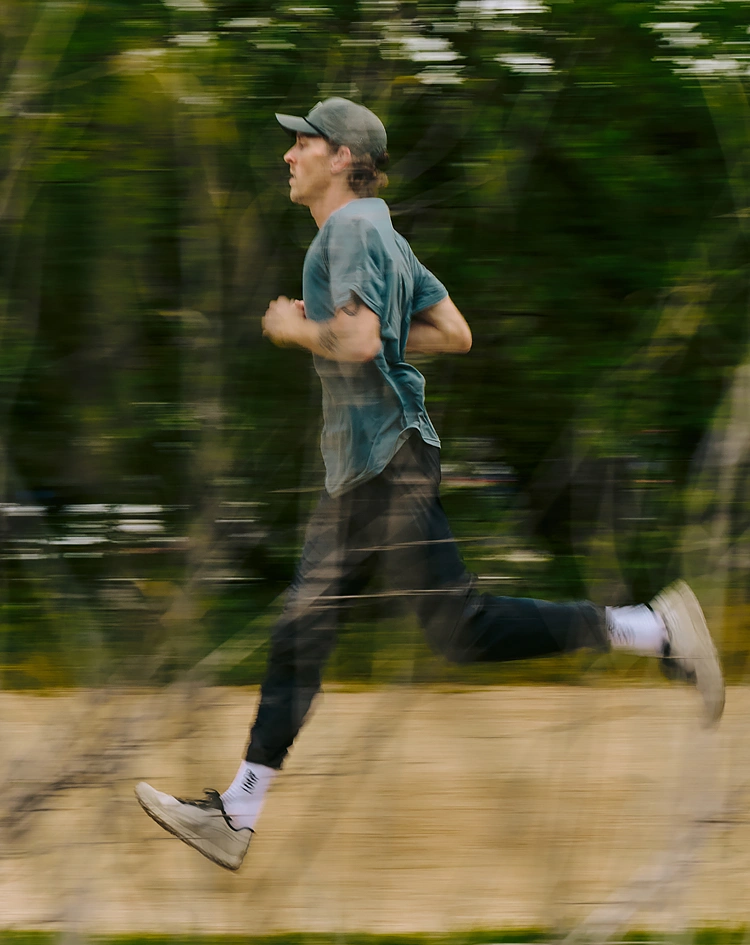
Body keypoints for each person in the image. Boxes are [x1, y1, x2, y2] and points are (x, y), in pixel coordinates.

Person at [135, 98, 725, 872]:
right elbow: (454, 332)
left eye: (303, 142)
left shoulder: (350, 231)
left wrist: (295, 328)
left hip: (383, 463)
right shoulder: (385, 233)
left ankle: (653, 626)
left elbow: (357, 339)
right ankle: (236, 814)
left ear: (343, 157)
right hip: (374, 465)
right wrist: (368, 340)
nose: (289, 155)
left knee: (448, 628)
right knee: (328, 632)